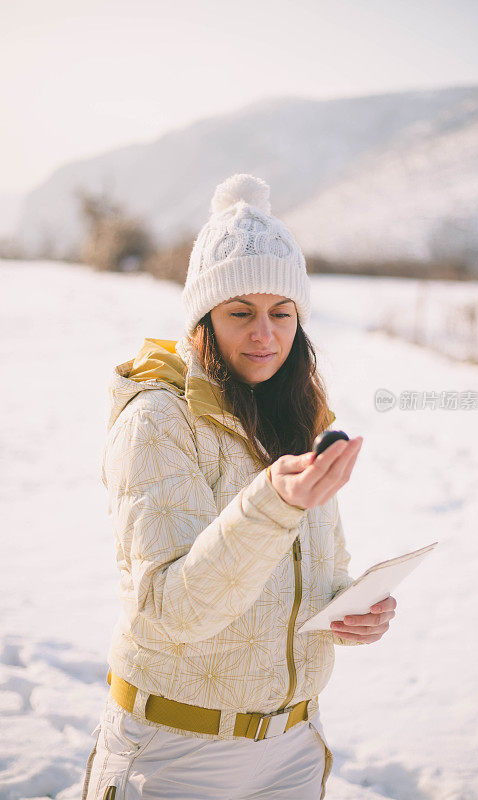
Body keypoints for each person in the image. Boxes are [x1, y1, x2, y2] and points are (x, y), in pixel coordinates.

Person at [82, 173, 397, 800]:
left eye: (282, 314)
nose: (265, 334)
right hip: (176, 751)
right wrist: (272, 504)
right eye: (240, 313)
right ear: (204, 318)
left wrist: (343, 608)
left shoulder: (298, 418)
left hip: (292, 752)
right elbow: (173, 610)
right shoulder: (159, 420)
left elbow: (297, 575)